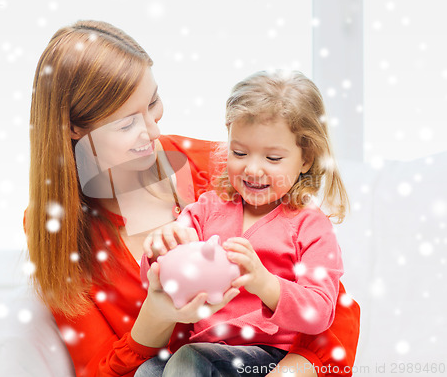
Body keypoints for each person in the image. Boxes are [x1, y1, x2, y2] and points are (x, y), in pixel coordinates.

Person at [25, 20, 360, 377]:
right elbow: (99, 370)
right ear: (74, 127)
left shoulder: (224, 169)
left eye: (153, 102)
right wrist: (156, 316)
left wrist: (293, 370)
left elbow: (331, 310)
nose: (153, 131)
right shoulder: (56, 226)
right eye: (126, 124)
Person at [139, 70, 349, 376]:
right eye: (239, 152)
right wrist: (161, 251)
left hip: (266, 357)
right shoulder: (208, 209)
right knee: (147, 371)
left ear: (306, 159)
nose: (252, 168)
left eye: (273, 158)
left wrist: (264, 282)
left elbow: (319, 312)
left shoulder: (310, 226)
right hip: (204, 351)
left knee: (188, 361)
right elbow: (156, 279)